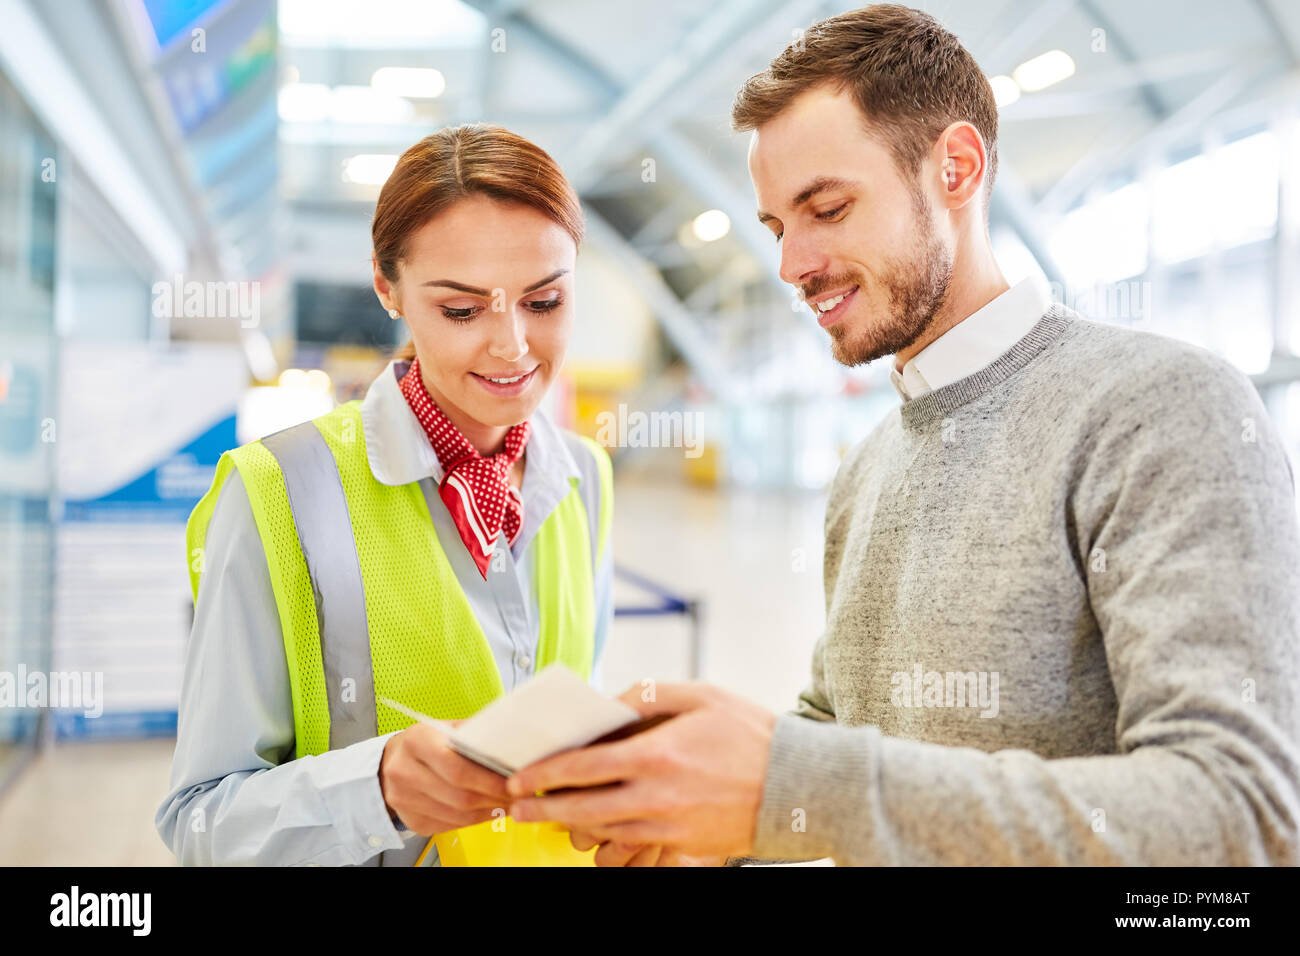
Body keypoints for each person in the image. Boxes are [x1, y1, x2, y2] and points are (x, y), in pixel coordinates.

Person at [503, 4, 1300, 866]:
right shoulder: (871, 465)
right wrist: (709, 818)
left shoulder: (1161, 407)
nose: (790, 264)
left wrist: (788, 784)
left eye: (829, 208)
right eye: (776, 226)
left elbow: (1241, 811)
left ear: (956, 168)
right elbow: (843, 726)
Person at [155, 124, 618, 866]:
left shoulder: (584, 477)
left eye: (546, 300)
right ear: (386, 286)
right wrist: (375, 791)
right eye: (462, 311)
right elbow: (200, 821)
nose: (512, 346)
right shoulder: (277, 493)